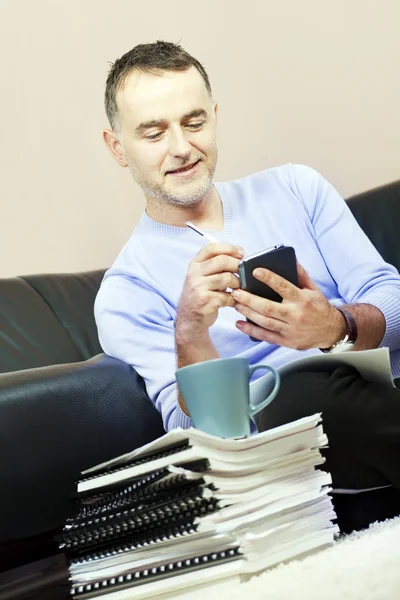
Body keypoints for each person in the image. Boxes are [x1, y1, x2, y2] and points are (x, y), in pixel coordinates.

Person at [95, 40, 400, 530]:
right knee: (312, 394)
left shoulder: (296, 187)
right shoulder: (126, 291)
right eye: (153, 133)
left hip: (381, 386)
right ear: (117, 148)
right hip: (299, 440)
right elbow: (201, 437)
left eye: (194, 123)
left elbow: (390, 294)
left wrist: (336, 326)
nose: (181, 147)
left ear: (214, 117)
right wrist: (191, 330)